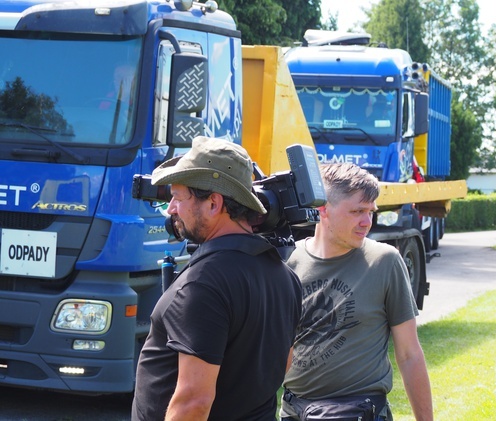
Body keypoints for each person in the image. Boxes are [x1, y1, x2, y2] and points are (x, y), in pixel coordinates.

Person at [132, 136, 302, 420]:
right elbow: (283, 363)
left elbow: (193, 402)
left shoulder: (202, 283)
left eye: (178, 197)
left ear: (213, 203)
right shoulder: (284, 276)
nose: (171, 208)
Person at [280, 163, 433, 421]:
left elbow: (409, 354)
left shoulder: (384, 261)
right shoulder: (289, 261)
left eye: (370, 211)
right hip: (295, 411)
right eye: (357, 211)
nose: (367, 222)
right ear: (322, 209)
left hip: (359, 412)